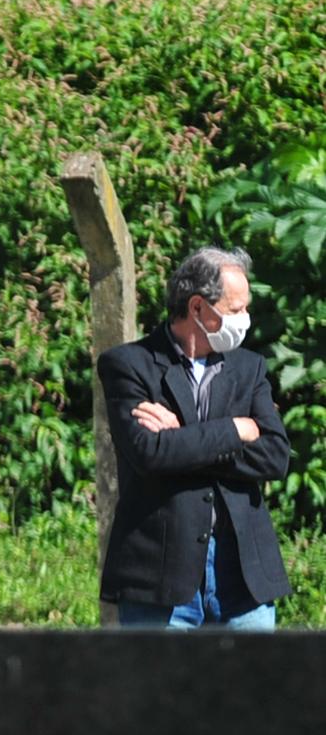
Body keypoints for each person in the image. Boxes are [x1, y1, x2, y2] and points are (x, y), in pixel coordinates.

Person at [100, 246, 291, 629]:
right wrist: (235, 430)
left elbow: (274, 456)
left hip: (242, 578)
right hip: (159, 576)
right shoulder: (128, 365)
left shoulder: (250, 368)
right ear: (198, 308)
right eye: (235, 310)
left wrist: (183, 439)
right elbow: (149, 454)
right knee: (159, 690)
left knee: (255, 691)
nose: (246, 320)